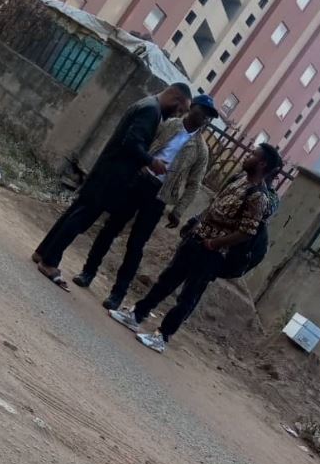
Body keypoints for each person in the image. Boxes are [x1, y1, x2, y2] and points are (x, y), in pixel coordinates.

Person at [109, 143, 283, 353]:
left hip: (213, 254)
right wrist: (196, 222)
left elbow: (247, 231)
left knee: (188, 296)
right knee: (167, 279)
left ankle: (162, 336)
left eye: (252, 155)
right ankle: (137, 315)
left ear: (262, 163)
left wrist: (214, 244)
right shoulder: (238, 180)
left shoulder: (259, 197)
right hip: (196, 240)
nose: (247, 156)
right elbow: (215, 204)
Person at [33, 83, 193, 289]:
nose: (177, 115)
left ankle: (42, 253)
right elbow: (132, 143)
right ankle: (49, 262)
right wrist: (151, 161)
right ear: (175, 99)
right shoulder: (151, 111)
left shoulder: (147, 105)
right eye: (180, 109)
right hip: (112, 176)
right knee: (80, 219)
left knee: (74, 212)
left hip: (107, 170)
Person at [72, 94, 219, 310]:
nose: (205, 118)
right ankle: (88, 272)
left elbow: (194, 184)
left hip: (159, 196)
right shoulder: (169, 124)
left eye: (208, 117)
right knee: (110, 228)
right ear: (192, 107)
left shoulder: (201, 150)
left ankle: (117, 294)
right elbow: (145, 143)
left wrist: (178, 210)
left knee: (136, 244)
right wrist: (141, 163)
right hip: (138, 180)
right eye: (203, 112)